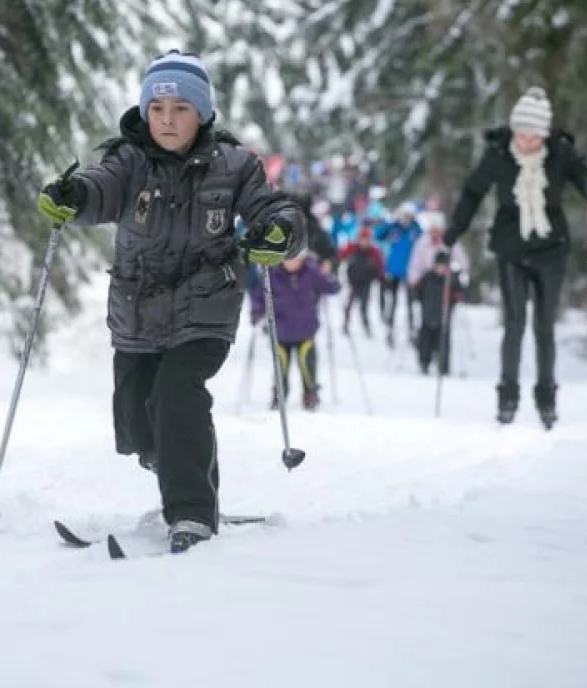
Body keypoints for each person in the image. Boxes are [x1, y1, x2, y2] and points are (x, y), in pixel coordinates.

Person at [36, 50, 306, 552]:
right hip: (138, 311)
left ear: (202, 112)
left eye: (181, 108)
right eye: (157, 109)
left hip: (206, 308)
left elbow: (274, 208)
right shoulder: (128, 160)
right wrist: (73, 195)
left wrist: (280, 230)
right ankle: (186, 470)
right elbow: (100, 189)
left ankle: (192, 514)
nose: (167, 119)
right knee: (140, 422)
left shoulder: (234, 165)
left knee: (178, 396)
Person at [444, 86, 587, 428]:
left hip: (550, 247)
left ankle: (546, 399)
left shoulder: (560, 153)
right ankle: (507, 398)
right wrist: (455, 228)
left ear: (544, 133)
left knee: (544, 327)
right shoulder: (499, 153)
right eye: (521, 133)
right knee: (514, 325)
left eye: (533, 135)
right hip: (511, 247)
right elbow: (474, 190)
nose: (527, 140)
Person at [250, 252, 340, 410]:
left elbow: (330, 287)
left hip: (305, 330)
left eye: (296, 258)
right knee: (281, 366)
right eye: (288, 259)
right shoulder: (271, 273)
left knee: (307, 365)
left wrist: (331, 277)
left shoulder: (311, 271)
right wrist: (257, 311)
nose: (292, 262)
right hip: (280, 331)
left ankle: (310, 394)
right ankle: (279, 394)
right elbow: (259, 295)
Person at [374, 203, 423, 345]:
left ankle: (412, 330)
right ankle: (390, 329)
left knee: (410, 303)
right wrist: (390, 223)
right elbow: (378, 235)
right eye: (404, 216)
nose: (406, 219)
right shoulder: (394, 228)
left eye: (409, 216)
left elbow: (423, 241)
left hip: (409, 272)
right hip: (394, 271)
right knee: (393, 302)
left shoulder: (416, 229)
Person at [414, 251, 465, 375]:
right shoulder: (427, 277)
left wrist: (457, 295)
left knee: (442, 342)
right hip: (427, 315)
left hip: (444, 317)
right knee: (425, 342)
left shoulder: (451, 279)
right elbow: (418, 291)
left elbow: (460, 293)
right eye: (439, 265)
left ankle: (443, 367)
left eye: (444, 266)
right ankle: (424, 364)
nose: (441, 268)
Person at [337, 226, 385, 336]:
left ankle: (366, 325)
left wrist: (381, 277)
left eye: (366, 239)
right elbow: (341, 255)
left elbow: (380, 265)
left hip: (366, 283)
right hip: (353, 281)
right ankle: (345, 324)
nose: (364, 242)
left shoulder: (374, 251)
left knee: (364, 306)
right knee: (349, 304)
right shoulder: (353, 247)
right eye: (362, 239)